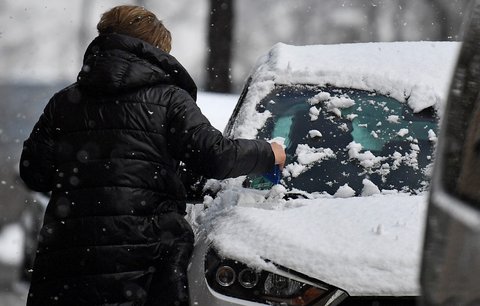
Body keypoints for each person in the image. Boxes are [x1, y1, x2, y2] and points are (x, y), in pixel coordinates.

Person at [19, 5, 285, 306]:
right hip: (141, 263)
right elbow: (216, 156)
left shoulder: (64, 102)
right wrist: (268, 152)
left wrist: (86, 182)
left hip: (66, 265)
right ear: (154, 49)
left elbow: (34, 173)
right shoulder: (168, 99)